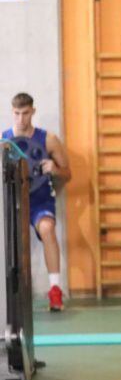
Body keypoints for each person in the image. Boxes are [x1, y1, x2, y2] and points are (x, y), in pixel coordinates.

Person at [4, 93, 71, 311]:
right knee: (16, 243)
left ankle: (55, 291)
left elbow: (68, 173)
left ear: (33, 111)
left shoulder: (48, 139)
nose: (21, 119)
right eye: (17, 114)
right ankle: (17, 294)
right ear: (12, 112)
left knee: (48, 230)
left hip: (40, 199)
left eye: (25, 113)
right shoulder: (4, 142)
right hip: (14, 200)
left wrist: (55, 169)